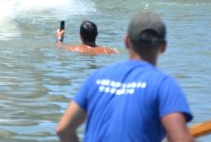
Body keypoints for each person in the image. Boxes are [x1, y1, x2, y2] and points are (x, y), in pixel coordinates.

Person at [56, 11, 194, 142]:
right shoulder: (164, 85)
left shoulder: (96, 78)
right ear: (163, 47)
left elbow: (63, 128)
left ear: (127, 41)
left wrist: (59, 39)